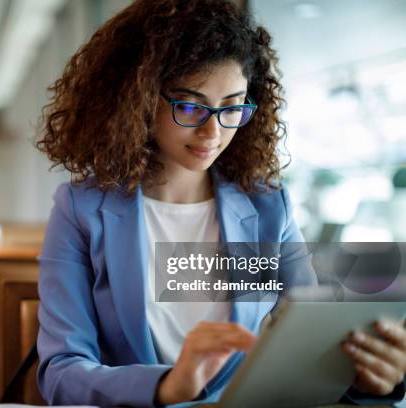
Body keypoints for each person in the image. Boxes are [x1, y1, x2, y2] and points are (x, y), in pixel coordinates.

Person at [34, 0, 406, 406]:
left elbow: (306, 355)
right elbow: (61, 372)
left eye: (231, 107)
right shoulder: (82, 209)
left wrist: (369, 382)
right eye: (191, 106)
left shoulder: (269, 207)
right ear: (138, 98)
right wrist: (168, 387)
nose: (213, 130)